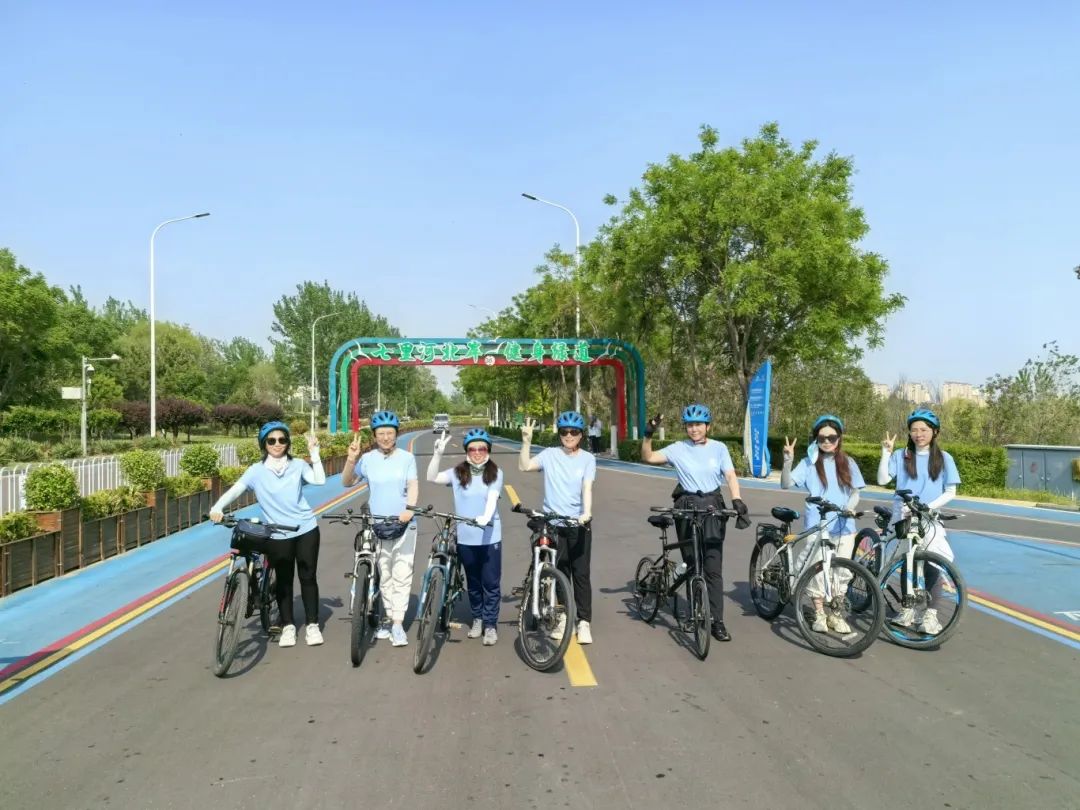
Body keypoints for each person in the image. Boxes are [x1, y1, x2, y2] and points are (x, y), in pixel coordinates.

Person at [210, 421, 326, 648]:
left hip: (305, 528)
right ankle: (288, 626)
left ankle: (312, 625)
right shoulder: (256, 471)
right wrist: (217, 507)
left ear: (288, 443)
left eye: (282, 440)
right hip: (277, 533)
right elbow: (236, 490)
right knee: (283, 580)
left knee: (307, 577)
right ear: (264, 444)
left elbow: (320, 480)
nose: (277, 444)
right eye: (271, 440)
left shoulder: (298, 465)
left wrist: (315, 453)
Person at [639, 404, 748, 642]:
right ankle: (693, 614)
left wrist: (737, 499)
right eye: (689, 425)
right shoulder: (678, 448)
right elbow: (648, 457)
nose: (694, 429)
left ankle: (717, 622)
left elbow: (730, 475)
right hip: (686, 507)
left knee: (713, 567)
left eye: (698, 424)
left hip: (712, 507)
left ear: (708, 426)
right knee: (692, 564)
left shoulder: (719, 448)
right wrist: (648, 434)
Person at [877, 408, 961, 635]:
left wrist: (929, 507)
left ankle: (930, 615)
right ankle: (908, 610)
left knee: (933, 564)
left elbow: (951, 491)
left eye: (924, 430)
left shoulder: (944, 458)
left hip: (928, 517)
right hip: (903, 515)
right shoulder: (902, 455)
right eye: (914, 430)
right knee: (907, 562)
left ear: (935, 432)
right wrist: (886, 453)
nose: (919, 434)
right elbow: (883, 480)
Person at [780, 414, 866, 635]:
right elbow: (786, 484)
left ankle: (836, 614)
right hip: (817, 524)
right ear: (816, 439)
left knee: (842, 571)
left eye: (832, 437)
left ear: (839, 438)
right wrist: (788, 460)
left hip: (844, 525)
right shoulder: (808, 463)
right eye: (822, 438)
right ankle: (819, 613)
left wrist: (849, 507)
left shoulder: (848, 462)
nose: (827, 441)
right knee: (817, 570)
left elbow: (855, 493)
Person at [341, 410, 418, 648]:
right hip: (378, 524)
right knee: (385, 574)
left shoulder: (407, 458)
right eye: (381, 433)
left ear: (396, 434)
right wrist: (351, 460)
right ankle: (389, 618)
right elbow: (347, 482)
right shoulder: (367, 459)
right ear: (374, 436)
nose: (385, 437)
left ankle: (398, 624)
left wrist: (410, 509)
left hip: (404, 524)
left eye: (390, 433)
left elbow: (413, 485)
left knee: (402, 573)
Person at [518, 411, 596, 644]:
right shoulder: (549, 455)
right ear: (559, 434)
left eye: (574, 432)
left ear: (581, 435)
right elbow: (524, 466)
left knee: (580, 574)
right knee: (560, 572)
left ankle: (584, 622)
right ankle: (563, 619)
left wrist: (586, 512)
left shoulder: (588, 459)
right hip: (553, 524)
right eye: (564, 432)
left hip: (578, 524)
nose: (569, 436)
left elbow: (587, 487)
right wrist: (526, 442)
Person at [427, 427, 504, 646]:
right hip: (466, 538)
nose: (477, 453)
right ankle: (477, 618)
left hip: (490, 537)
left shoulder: (496, 473)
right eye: (472, 449)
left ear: (488, 450)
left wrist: (485, 517)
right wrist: (437, 455)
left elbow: (492, 497)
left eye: (482, 448)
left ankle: (490, 625)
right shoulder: (457, 473)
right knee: (473, 582)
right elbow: (431, 478)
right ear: (466, 451)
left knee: (490, 583)